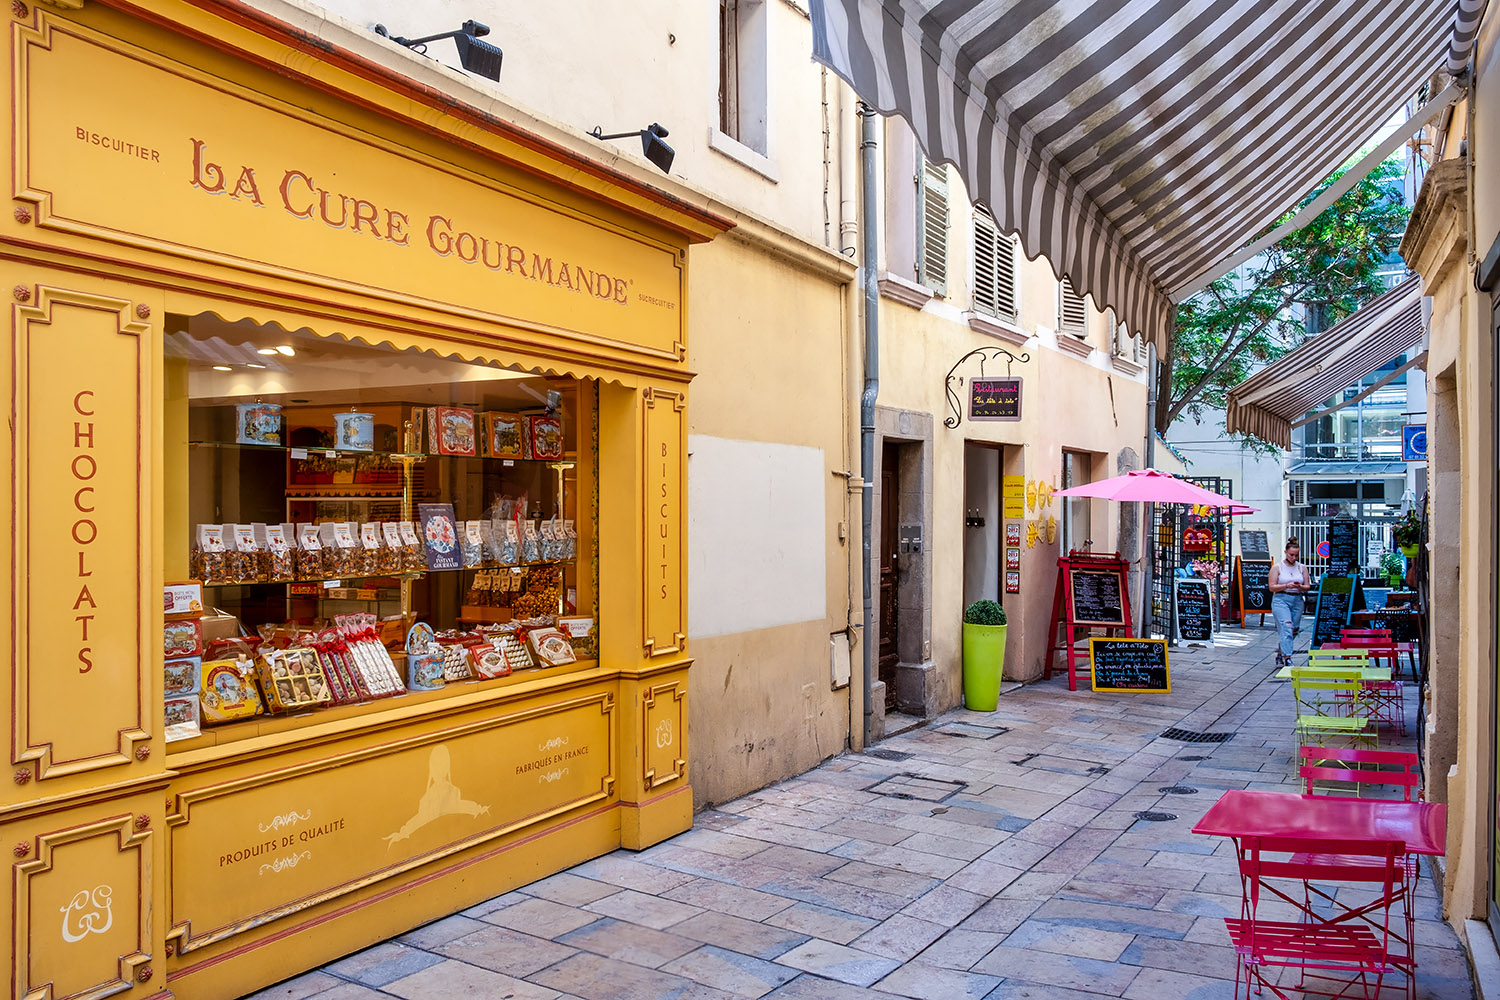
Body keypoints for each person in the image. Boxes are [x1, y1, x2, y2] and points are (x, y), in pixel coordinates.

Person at [1269, 537, 1312, 666]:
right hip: (1281, 599)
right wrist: (1286, 585)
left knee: (1294, 629)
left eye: (1296, 555)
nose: (1294, 558)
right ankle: (1288, 657)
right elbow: (1271, 587)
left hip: (1297, 600)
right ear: (1286, 552)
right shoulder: (1277, 567)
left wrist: (1299, 587)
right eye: (1291, 555)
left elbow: (1307, 586)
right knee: (1286, 627)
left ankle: (1280, 653)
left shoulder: (1302, 568)